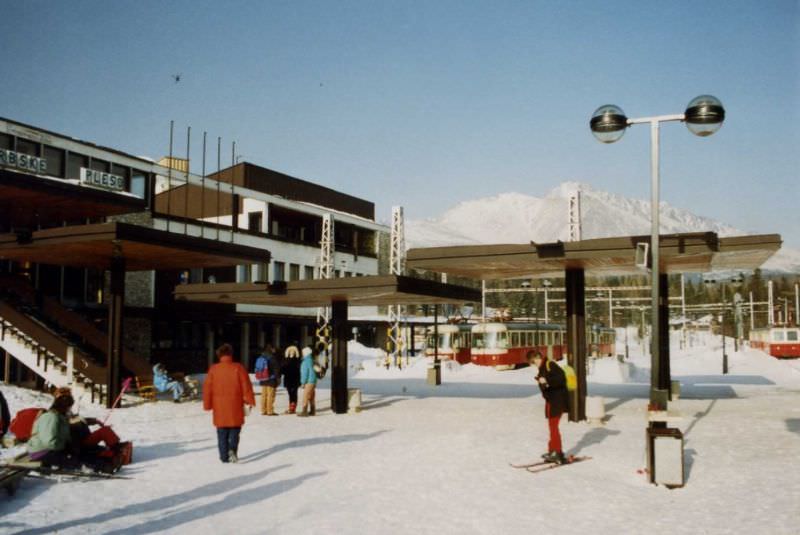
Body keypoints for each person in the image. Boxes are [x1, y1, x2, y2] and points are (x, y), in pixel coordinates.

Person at [203, 343, 255, 463]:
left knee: (221, 433)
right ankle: (232, 449)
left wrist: (207, 404)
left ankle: (223, 457)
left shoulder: (214, 369)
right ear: (231, 354)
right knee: (235, 431)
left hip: (219, 407)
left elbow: (207, 389)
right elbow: (246, 386)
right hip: (235, 406)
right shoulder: (238, 368)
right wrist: (249, 401)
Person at [529, 352, 569, 464]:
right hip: (552, 401)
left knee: (553, 426)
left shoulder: (550, 365)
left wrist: (547, 381)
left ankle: (557, 451)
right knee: (552, 426)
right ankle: (553, 450)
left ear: (538, 357)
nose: (534, 364)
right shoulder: (543, 368)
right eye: (532, 362)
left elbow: (561, 378)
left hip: (558, 401)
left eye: (534, 361)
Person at [26, 391, 76, 468]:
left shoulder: (61, 417)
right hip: (41, 451)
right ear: (63, 406)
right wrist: (64, 445)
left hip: (51, 449)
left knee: (77, 457)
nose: (69, 409)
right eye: (69, 407)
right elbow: (49, 442)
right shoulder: (51, 417)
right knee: (75, 464)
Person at [254, 345, 279, 416]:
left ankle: (263, 410)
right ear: (271, 350)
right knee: (270, 395)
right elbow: (276, 369)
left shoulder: (262, 357)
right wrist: (277, 378)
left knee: (264, 395)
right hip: (271, 379)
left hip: (263, 378)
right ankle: (269, 411)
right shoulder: (272, 358)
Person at [297, 346, 318, 417]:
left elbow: (305, 373)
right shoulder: (312, 360)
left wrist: (303, 382)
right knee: (311, 396)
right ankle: (312, 410)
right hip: (313, 381)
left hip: (308, 381)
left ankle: (304, 411)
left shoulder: (305, 362)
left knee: (305, 396)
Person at [282, 342, 301, 414]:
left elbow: (282, 370)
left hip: (288, 381)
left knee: (290, 394)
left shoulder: (286, 361)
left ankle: (291, 407)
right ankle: (293, 407)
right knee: (294, 394)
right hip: (296, 380)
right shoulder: (298, 361)